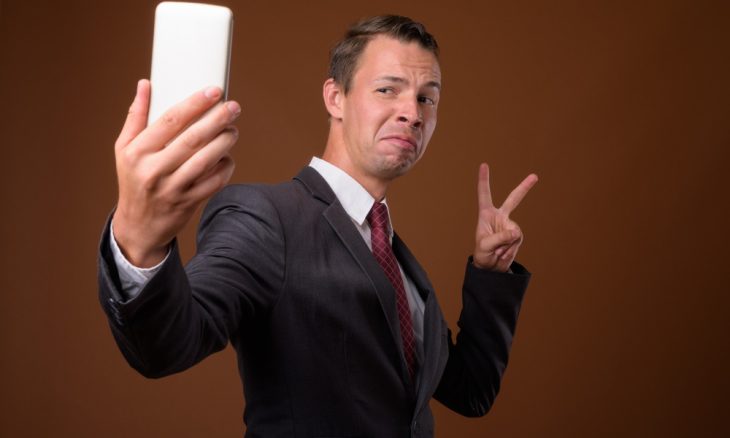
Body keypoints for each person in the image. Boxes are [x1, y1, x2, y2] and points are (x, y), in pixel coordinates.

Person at [98, 15, 538, 438]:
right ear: (335, 98)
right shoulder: (265, 217)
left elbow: (471, 392)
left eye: (427, 98)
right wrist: (141, 240)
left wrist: (491, 274)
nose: (413, 113)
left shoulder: (399, 264)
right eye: (388, 89)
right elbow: (166, 345)